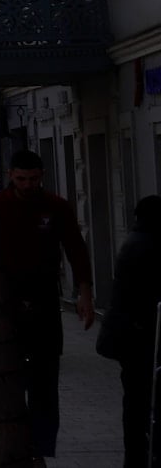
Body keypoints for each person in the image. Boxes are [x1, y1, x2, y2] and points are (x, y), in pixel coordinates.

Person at [0, 149, 95, 464]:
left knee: (45, 378)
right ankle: (14, 443)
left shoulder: (55, 207)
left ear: (42, 176)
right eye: (21, 178)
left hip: (44, 298)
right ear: (11, 175)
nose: (27, 185)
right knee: (9, 378)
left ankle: (40, 446)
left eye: (33, 179)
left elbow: (76, 248)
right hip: (6, 298)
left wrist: (84, 294)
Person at [106, 195, 161, 468]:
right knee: (141, 401)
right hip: (141, 337)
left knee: (135, 401)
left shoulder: (135, 242)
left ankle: (135, 456)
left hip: (129, 337)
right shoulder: (148, 246)